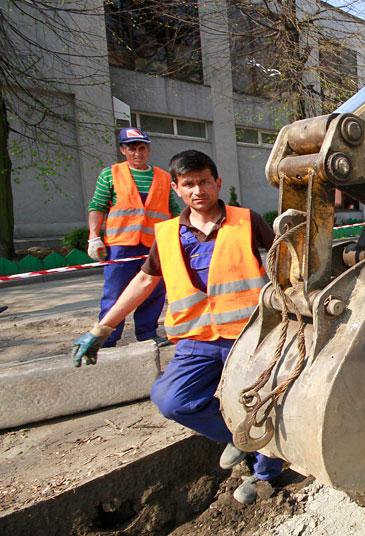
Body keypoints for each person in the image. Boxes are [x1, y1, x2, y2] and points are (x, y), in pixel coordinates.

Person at [72, 150, 282, 505]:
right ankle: (238, 436)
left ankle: (265, 474)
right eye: (188, 184)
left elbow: (286, 259)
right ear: (177, 189)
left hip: (247, 337)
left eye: (204, 181)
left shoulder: (246, 221)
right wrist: (102, 328)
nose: (197, 189)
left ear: (217, 183)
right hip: (195, 341)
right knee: (172, 399)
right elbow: (143, 281)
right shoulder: (168, 234)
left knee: (257, 403)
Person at [87, 128, 180, 347]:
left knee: (155, 290)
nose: (137, 153)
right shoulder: (110, 174)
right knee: (115, 293)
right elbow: (97, 206)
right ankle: (107, 337)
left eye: (142, 148)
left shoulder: (164, 177)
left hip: (154, 244)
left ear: (148, 149)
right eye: (132, 148)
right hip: (121, 245)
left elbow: (173, 210)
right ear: (122, 150)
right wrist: (94, 236)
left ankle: (148, 334)